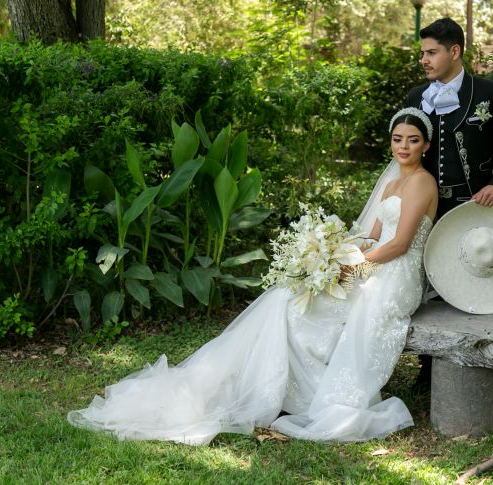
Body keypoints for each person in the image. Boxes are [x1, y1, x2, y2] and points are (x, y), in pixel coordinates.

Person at [66, 107, 439, 446]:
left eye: (412, 140)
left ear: (425, 145)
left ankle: (286, 391)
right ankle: (250, 385)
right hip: (372, 263)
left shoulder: (422, 182)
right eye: (397, 139)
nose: (403, 147)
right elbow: (371, 237)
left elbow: (400, 244)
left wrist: (350, 269)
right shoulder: (391, 182)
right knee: (284, 298)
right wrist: (326, 255)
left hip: (395, 276)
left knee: (299, 308)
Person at [406, 17, 493, 389]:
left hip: (477, 209)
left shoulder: (490, 93)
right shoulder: (416, 98)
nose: (424, 60)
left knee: (479, 287)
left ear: (454, 51)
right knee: (428, 287)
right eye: (422, 53)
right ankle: (429, 369)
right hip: (429, 209)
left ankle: (491, 372)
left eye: (431, 52)